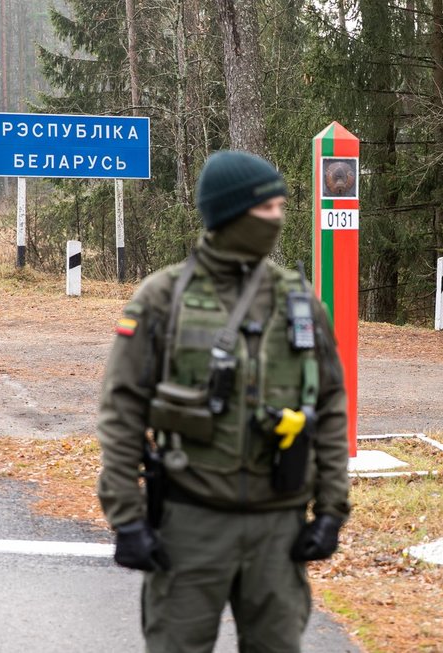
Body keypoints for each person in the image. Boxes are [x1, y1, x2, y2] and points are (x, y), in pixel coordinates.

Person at [95, 150, 350, 653]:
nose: (279, 218)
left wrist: (331, 510)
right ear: (232, 212)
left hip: (278, 529)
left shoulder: (298, 300)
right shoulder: (162, 298)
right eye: (268, 208)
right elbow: (121, 410)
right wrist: (125, 516)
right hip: (190, 524)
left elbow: (331, 402)